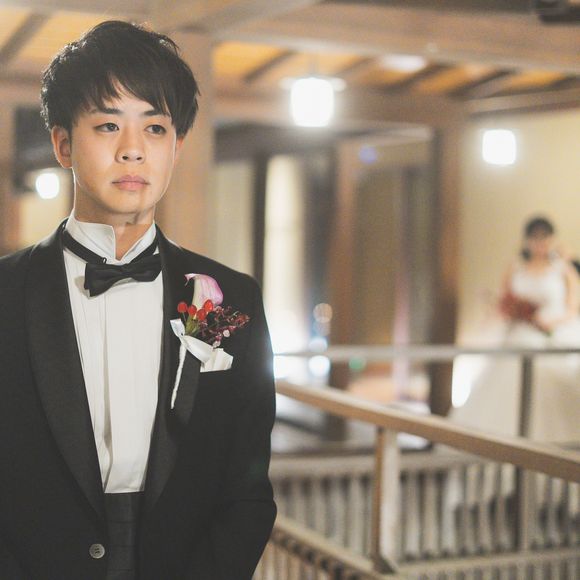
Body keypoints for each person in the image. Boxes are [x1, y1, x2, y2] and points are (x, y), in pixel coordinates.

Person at [0, 20, 276, 579]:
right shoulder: (6, 292)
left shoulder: (231, 298)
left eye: (154, 128)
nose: (132, 151)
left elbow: (247, 485)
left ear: (176, 147)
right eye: (108, 125)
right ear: (63, 143)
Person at [450, 216, 580, 443]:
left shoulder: (563, 269)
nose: (539, 243)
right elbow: (505, 301)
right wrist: (504, 309)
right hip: (518, 335)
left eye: (544, 238)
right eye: (534, 238)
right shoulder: (516, 267)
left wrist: (548, 322)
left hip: (547, 337)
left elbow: (572, 308)